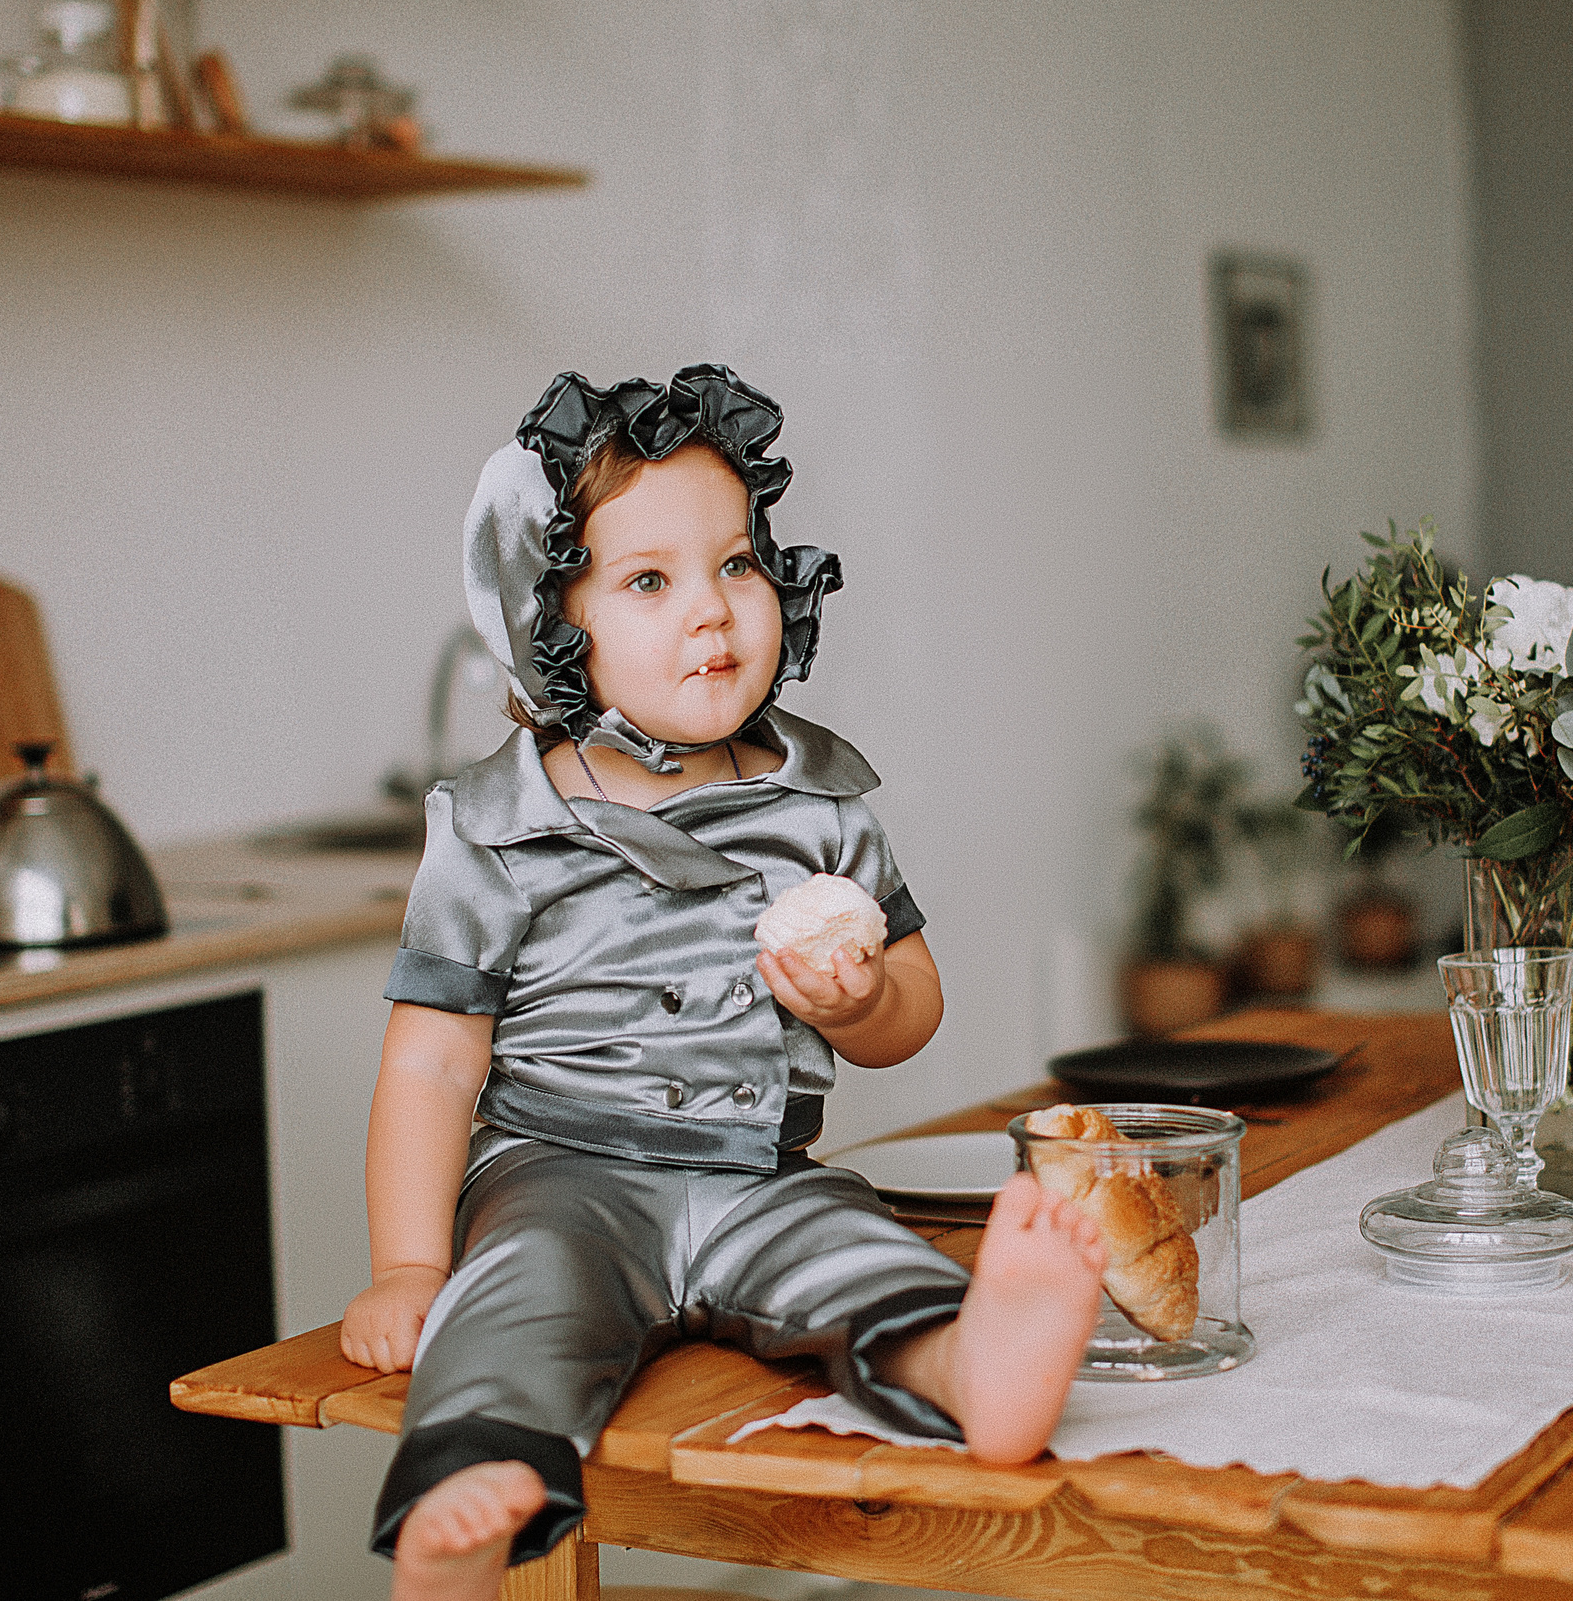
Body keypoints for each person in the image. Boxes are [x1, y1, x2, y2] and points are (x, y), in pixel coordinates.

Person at [341, 365, 1108, 1599]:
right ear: (549, 621)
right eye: (650, 580)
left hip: (759, 1173)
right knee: (517, 1302)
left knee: (851, 1244)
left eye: (737, 564)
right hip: (560, 1175)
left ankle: (968, 1363)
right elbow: (433, 1058)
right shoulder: (498, 821)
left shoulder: (820, 805)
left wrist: (860, 1004)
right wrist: (408, 1267)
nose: (714, 611)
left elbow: (914, 1006)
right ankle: (465, 1508)